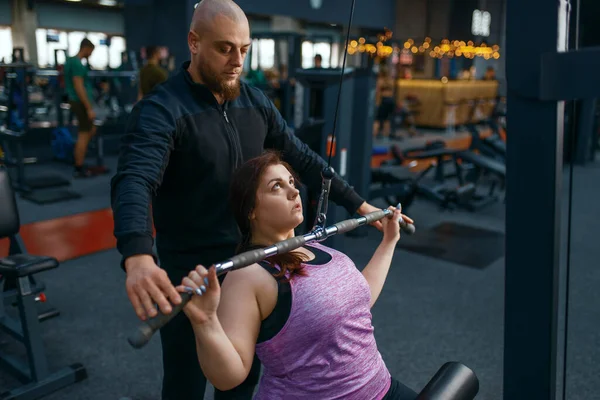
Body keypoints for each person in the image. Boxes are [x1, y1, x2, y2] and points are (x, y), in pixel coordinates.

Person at [110, 0, 384, 399]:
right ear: (194, 42)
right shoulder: (162, 110)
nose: (237, 60)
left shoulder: (255, 102)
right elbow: (134, 179)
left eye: (244, 49)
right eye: (224, 48)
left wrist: (359, 204)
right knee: (185, 380)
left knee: (239, 379)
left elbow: (304, 159)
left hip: (254, 268)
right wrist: (137, 255)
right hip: (193, 271)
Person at [177, 151, 416, 399]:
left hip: (382, 387)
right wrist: (205, 322)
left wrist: (388, 242)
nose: (294, 192)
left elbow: (357, 303)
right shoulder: (249, 274)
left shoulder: (314, 246)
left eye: (291, 182)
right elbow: (229, 378)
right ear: (251, 210)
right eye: (276, 187)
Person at [64, 38, 97, 178]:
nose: (91, 54)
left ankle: (78, 156)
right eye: (91, 51)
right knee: (84, 134)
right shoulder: (77, 64)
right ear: (86, 48)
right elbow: (79, 87)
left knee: (91, 130)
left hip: (76, 101)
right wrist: (89, 108)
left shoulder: (70, 61)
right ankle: (79, 167)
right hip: (80, 102)